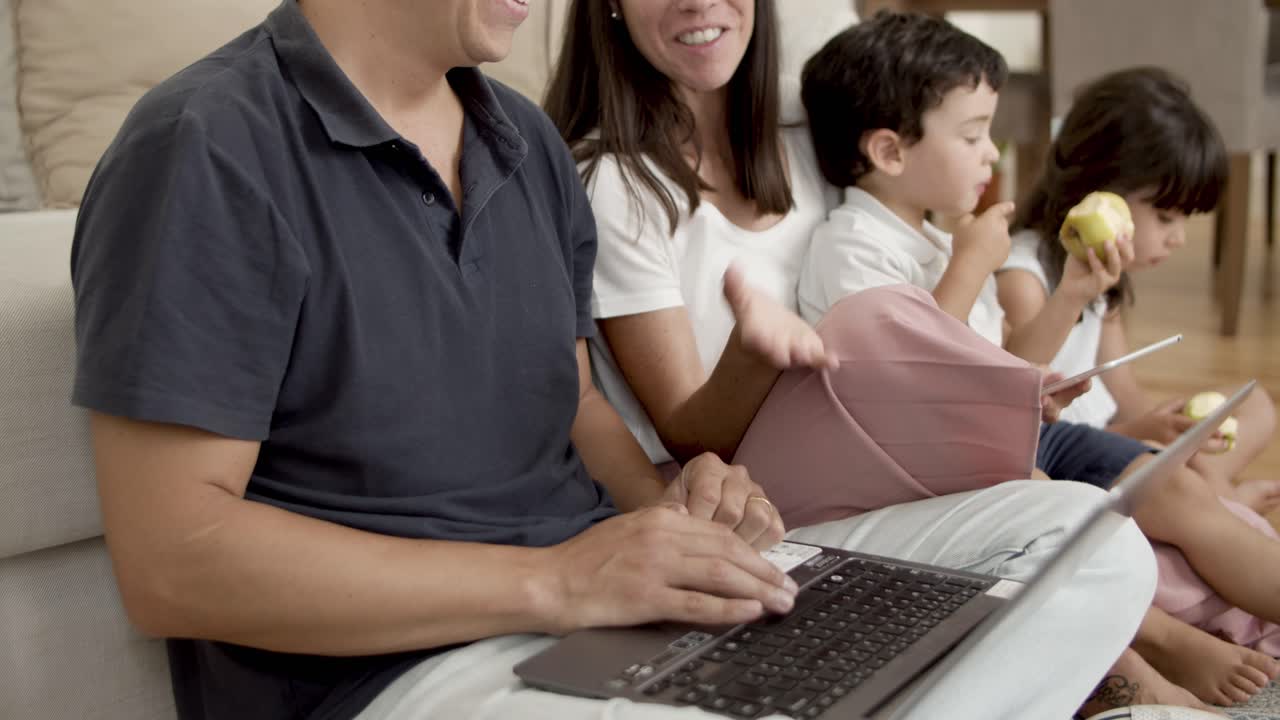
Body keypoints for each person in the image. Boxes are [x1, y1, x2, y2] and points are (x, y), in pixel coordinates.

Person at [70, 1, 820, 719]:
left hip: (590, 626)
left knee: (883, 638)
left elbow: (576, 401)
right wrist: (556, 582)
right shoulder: (203, 143)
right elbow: (171, 562)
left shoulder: (527, 138)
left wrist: (671, 520)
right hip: (380, 680)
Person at [544, 1, 1156, 717]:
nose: (699, 1)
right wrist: (756, 350)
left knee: (1106, 520)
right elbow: (688, 432)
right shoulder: (616, 184)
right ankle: (1134, 671)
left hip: (867, 451)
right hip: (757, 502)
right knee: (1073, 524)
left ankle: (1133, 666)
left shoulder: (807, 145)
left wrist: (995, 381)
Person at [794, 13, 1279, 710]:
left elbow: (1003, 367)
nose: (991, 156)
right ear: (890, 152)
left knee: (1178, 488)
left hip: (1016, 432)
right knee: (1059, 507)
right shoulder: (852, 249)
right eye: (971, 136)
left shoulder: (939, 240)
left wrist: (1065, 313)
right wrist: (970, 267)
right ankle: (1158, 649)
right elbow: (906, 387)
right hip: (932, 461)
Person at [997, 66, 1280, 514]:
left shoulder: (1104, 276)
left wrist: (1171, 427)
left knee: (1256, 405)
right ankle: (1224, 503)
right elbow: (1024, 425)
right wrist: (1143, 436)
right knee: (1179, 482)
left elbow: (1126, 396)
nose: (1178, 238)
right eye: (1165, 218)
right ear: (1100, 193)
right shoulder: (1024, 278)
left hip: (1114, 436)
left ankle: (1213, 495)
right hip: (1068, 457)